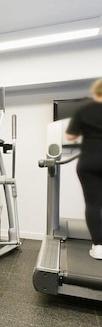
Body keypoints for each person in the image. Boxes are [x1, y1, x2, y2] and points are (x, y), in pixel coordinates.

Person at [66, 78, 102, 259]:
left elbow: (70, 136)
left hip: (89, 160)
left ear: (95, 92)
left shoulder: (84, 109)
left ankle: (99, 246)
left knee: (94, 203)